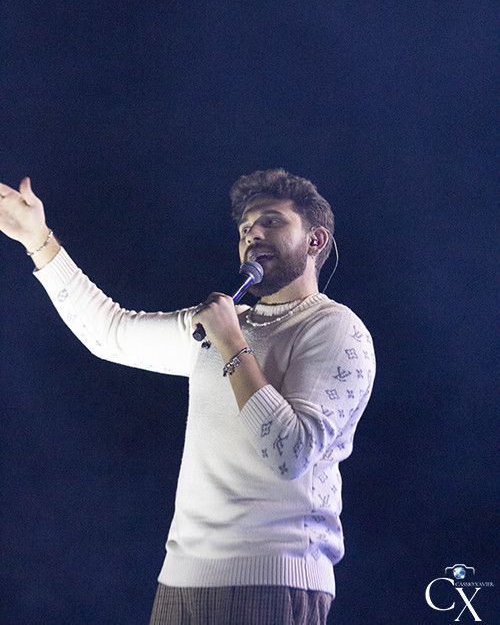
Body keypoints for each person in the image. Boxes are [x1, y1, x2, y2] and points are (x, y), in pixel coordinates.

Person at [0, 168, 376, 625]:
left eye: (272, 222)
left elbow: (290, 453)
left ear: (315, 240)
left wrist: (232, 344)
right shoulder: (224, 323)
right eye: (245, 228)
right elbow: (109, 333)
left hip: (273, 580)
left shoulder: (335, 328)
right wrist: (38, 240)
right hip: (180, 582)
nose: (252, 233)